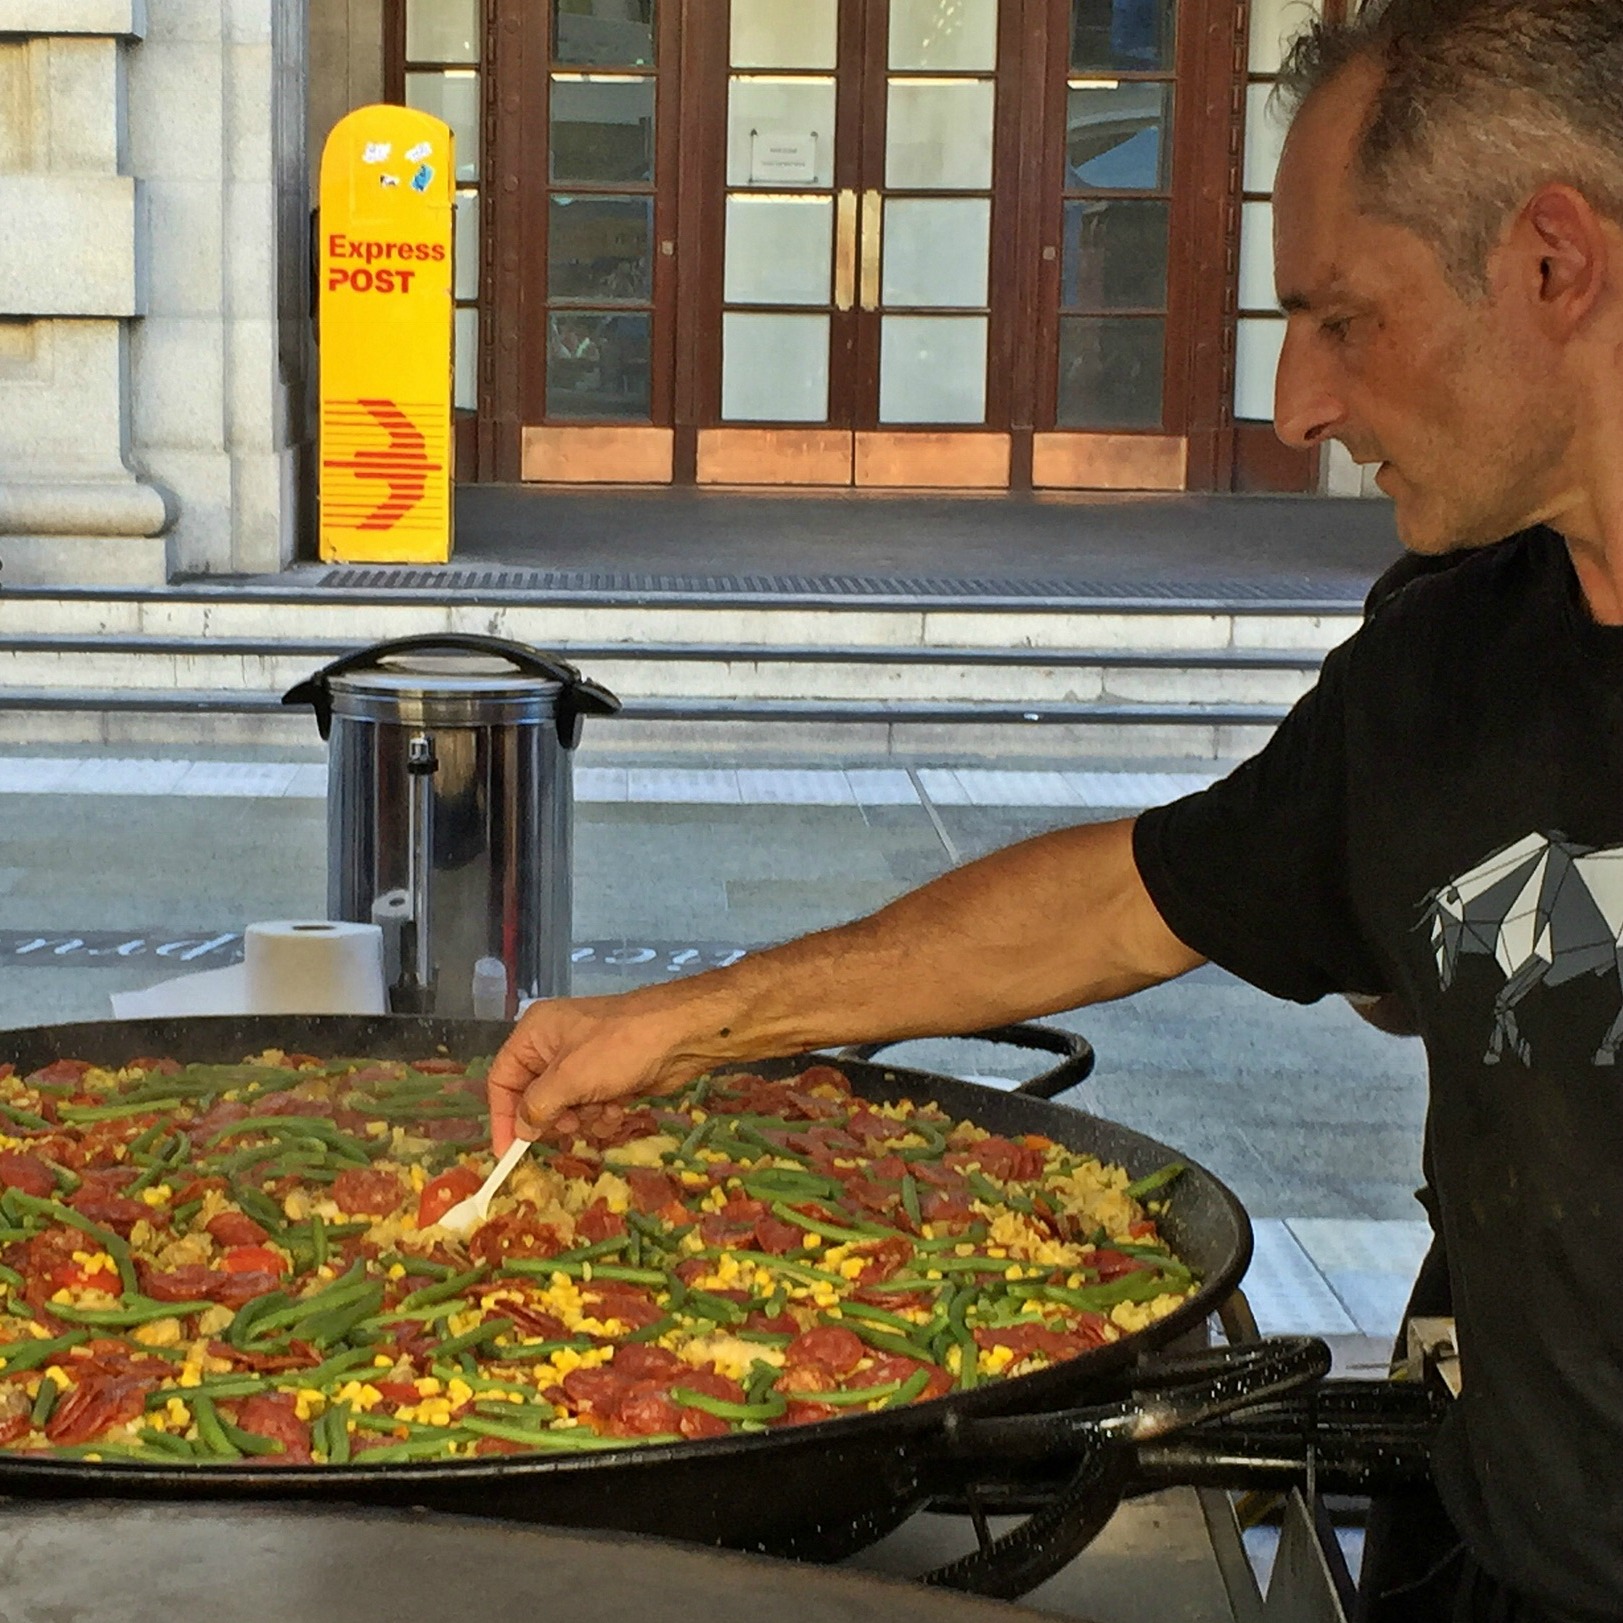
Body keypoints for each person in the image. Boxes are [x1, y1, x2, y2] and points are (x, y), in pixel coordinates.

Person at [488, 2, 1623, 1617]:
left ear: (1553, 264)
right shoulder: (1444, 666)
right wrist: (690, 1024)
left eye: (1343, 319)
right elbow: (1124, 901)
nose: (1295, 403)